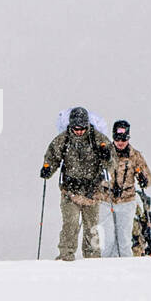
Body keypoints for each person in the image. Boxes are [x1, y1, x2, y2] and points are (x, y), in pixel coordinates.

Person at [40, 106, 111, 261]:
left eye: (82, 128)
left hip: (93, 191)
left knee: (92, 227)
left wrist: (107, 156)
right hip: (70, 191)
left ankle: (93, 257)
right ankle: (65, 255)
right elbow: (52, 157)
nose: (79, 131)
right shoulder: (63, 139)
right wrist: (47, 169)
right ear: (70, 126)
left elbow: (111, 163)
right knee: (70, 224)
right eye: (75, 128)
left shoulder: (98, 139)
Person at [102, 120, 151, 257]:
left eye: (123, 139)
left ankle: (125, 269)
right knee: (108, 240)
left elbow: (148, 179)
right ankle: (106, 269)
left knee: (124, 240)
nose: (120, 142)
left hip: (127, 201)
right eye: (117, 138)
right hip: (106, 201)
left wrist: (143, 179)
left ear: (128, 138)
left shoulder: (135, 156)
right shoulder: (105, 153)